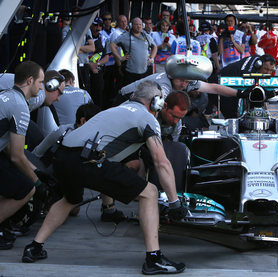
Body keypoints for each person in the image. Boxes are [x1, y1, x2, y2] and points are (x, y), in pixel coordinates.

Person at [21, 81, 188, 274]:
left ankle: (34, 247)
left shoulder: (118, 109)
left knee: (70, 199)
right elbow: (162, 162)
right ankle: (153, 259)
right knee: (149, 192)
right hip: (88, 160)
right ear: (156, 102)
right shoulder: (147, 119)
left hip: (63, 156)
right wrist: (175, 202)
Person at [0, 61, 44, 249]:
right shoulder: (20, 106)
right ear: (30, 80)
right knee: (26, 188)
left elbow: (8, 149)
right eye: (40, 82)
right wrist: (37, 181)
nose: (41, 87)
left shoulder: (5, 95)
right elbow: (17, 156)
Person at [218, 54, 277, 118]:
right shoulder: (249, 68)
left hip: (235, 81)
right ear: (259, 65)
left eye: (271, 70)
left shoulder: (258, 63)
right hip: (223, 81)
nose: (268, 73)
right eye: (266, 69)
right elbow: (248, 84)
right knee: (232, 116)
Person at [111, 17, 157, 86]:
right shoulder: (125, 36)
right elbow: (112, 45)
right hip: (130, 73)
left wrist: (151, 58)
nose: (138, 26)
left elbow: (154, 47)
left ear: (142, 26)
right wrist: (120, 58)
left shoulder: (146, 37)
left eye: (140, 24)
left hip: (144, 72)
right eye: (136, 24)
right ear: (131, 25)